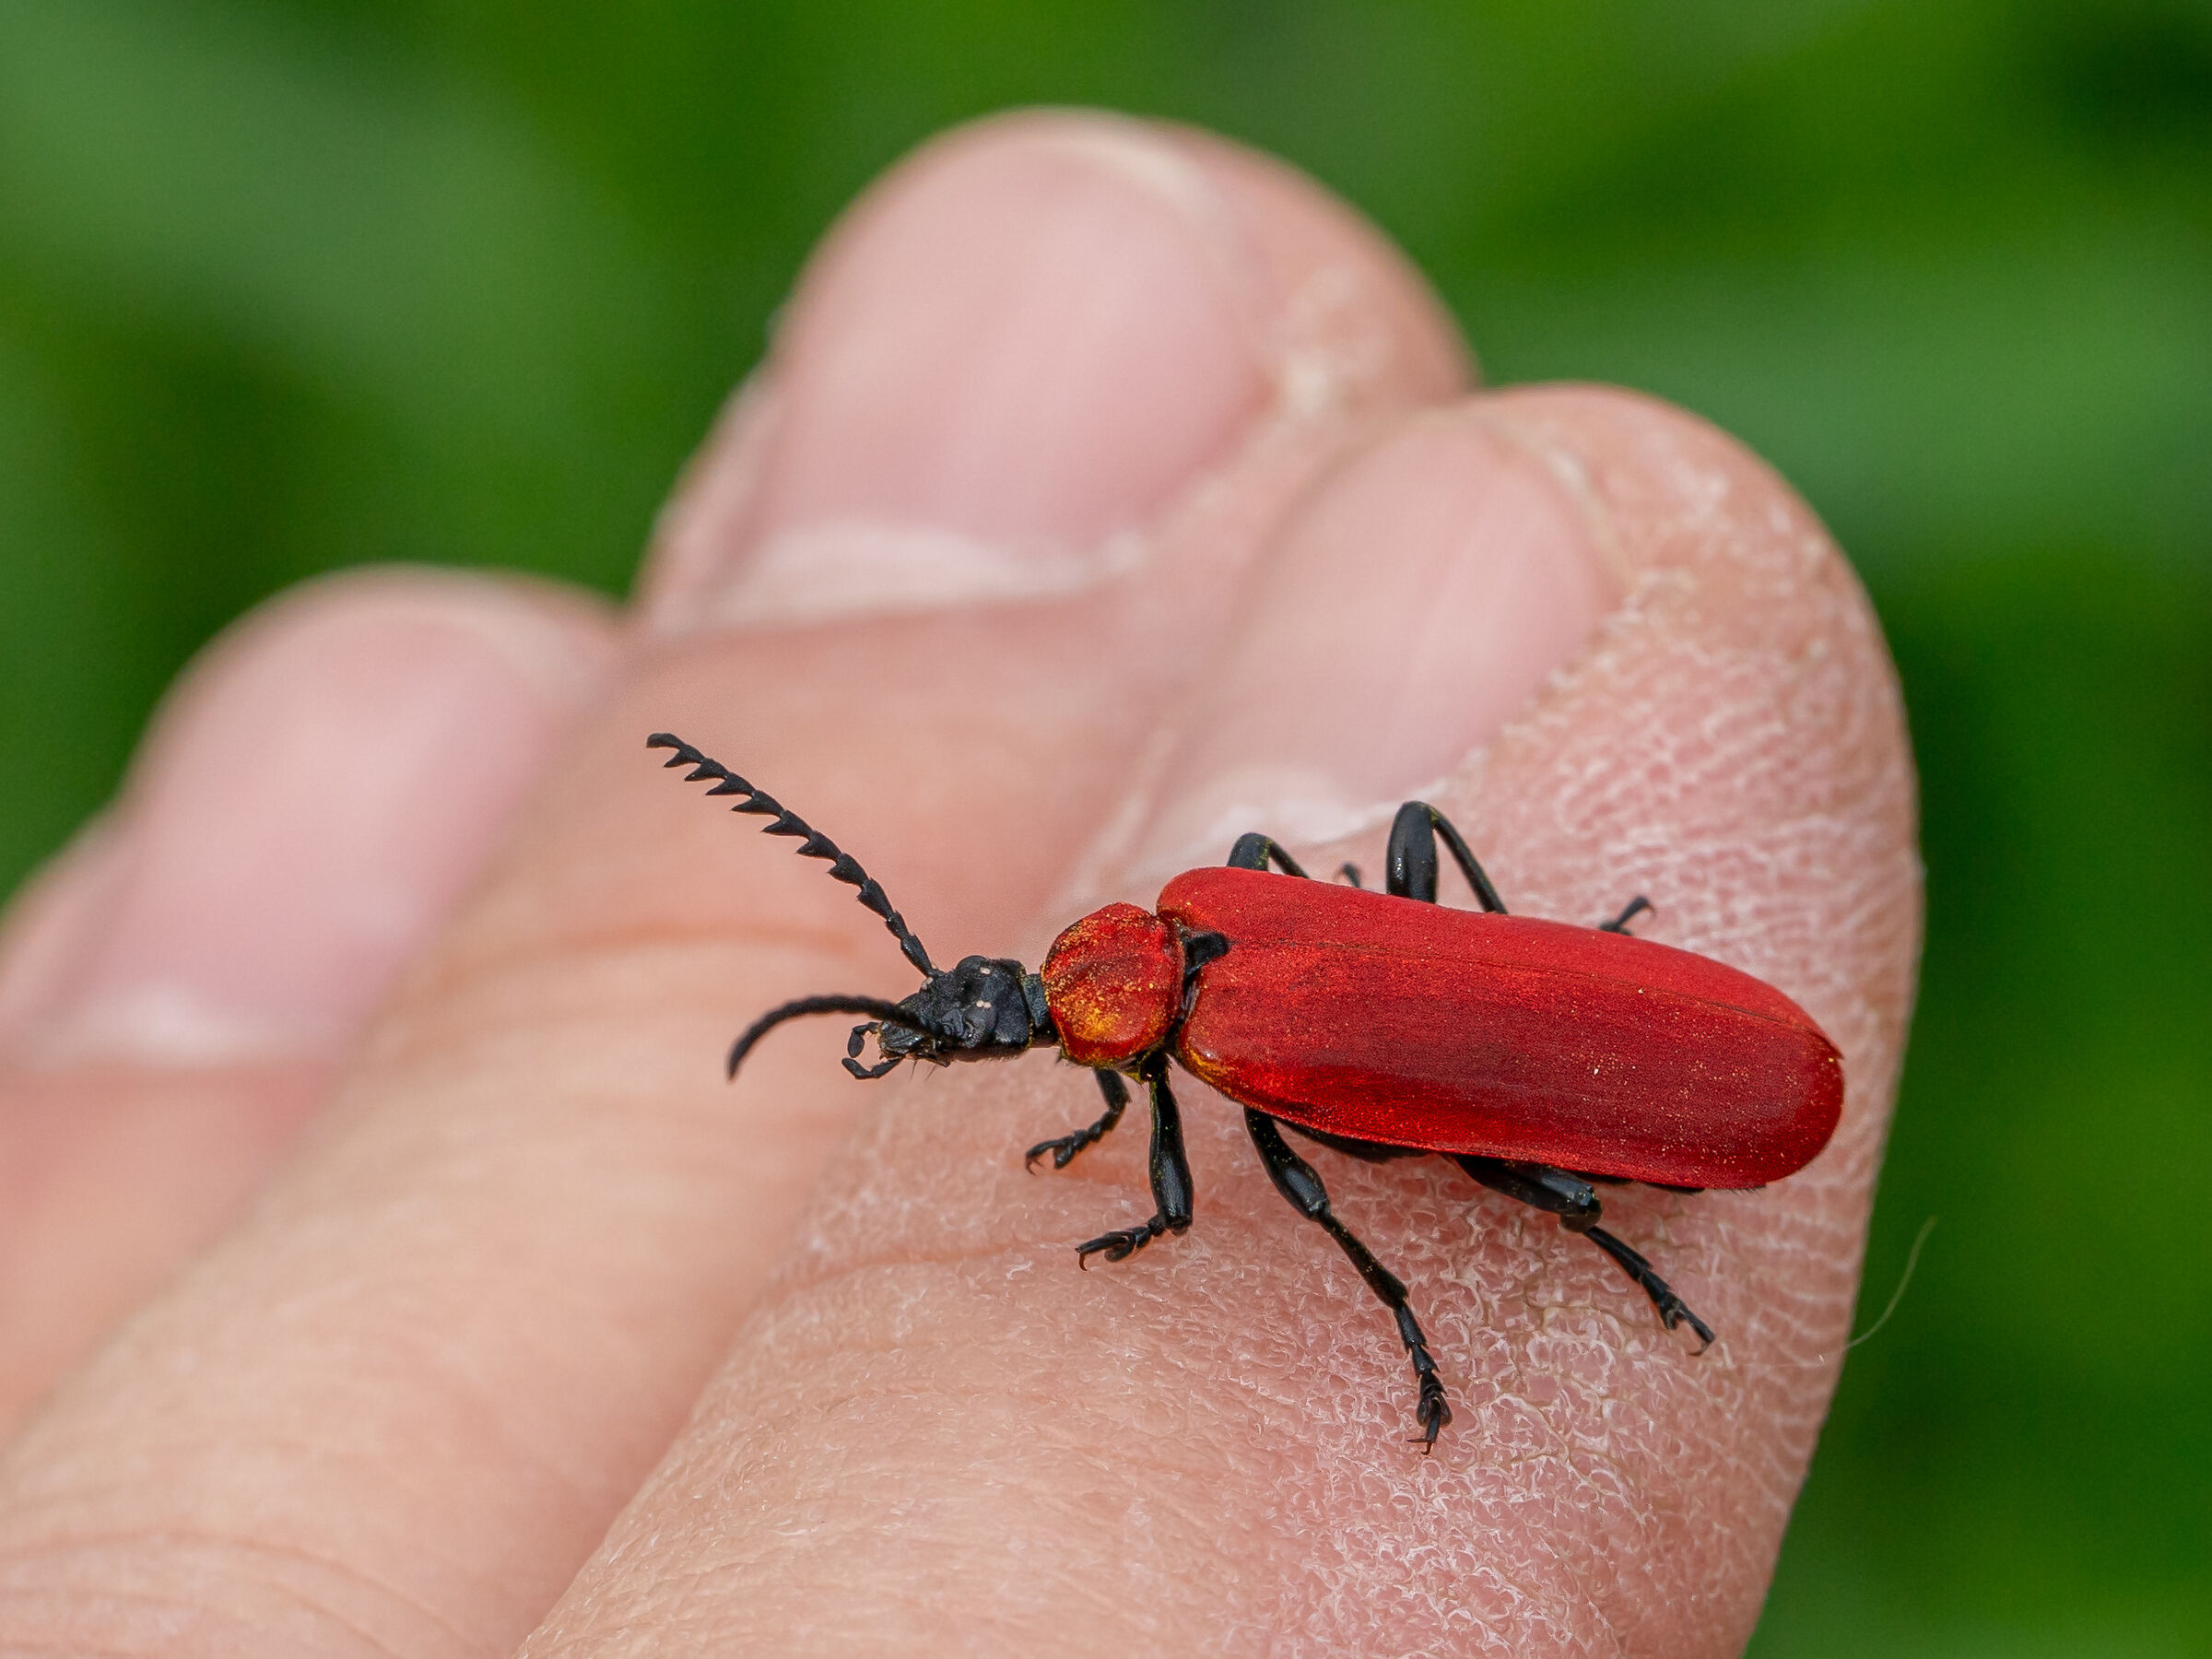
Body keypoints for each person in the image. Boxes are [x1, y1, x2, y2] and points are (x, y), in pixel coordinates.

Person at [0, 112, 1918, 1654]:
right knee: (1403, 1037)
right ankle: (1570, 1152)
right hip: (1642, 1048)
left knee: (1444, 1186)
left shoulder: (1219, 1021)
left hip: (1650, 1070)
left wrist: (1372, 1300)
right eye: (983, 1017)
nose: (972, 1017)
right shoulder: (1211, 917)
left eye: (978, 1015)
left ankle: (1553, 1241)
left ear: (1071, 1015)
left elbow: (1308, 1191)